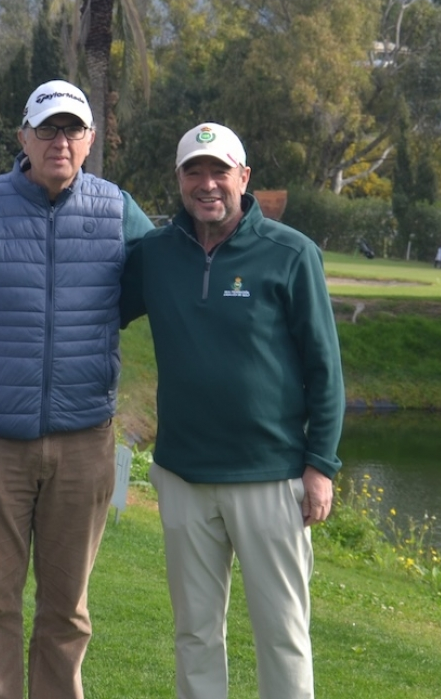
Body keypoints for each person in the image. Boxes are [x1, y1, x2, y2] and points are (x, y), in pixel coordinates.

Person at [0, 80, 154, 699]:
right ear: (23, 138)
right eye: (48, 129)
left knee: (67, 608)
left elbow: (159, 275)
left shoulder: (116, 208)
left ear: (90, 140)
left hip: (84, 441)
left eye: (73, 130)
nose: (61, 141)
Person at [120, 123, 344, 699]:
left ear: (244, 177)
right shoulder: (155, 254)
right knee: (194, 633)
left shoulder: (291, 253)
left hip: (271, 477)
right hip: (183, 475)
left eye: (219, 171)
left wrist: (320, 465)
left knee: (282, 635)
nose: (207, 184)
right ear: (179, 180)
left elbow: (324, 368)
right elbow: (94, 307)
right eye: (193, 171)